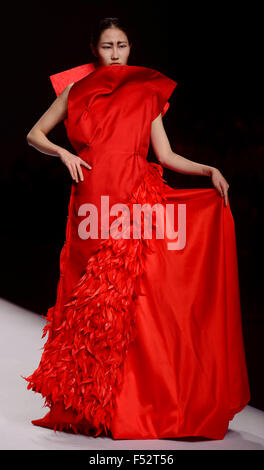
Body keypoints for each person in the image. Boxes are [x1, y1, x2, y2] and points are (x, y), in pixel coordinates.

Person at [22, 17, 250, 440]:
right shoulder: (75, 90)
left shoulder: (147, 93)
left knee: (134, 302)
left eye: (121, 45)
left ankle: (128, 406)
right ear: (95, 49)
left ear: (130, 48)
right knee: (85, 300)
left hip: (133, 199)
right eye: (107, 45)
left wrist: (208, 169)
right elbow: (35, 133)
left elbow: (164, 155)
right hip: (91, 198)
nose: (114, 53)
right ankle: (82, 408)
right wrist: (62, 154)